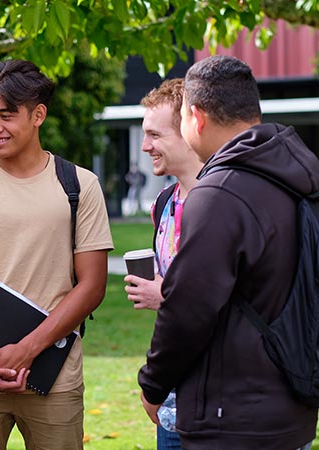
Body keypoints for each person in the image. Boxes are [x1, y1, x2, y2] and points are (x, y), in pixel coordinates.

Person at [137, 55, 319, 450]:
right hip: (293, 408)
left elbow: (189, 309)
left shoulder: (219, 193)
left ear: (196, 119)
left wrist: (152, 385)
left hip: (233, 417)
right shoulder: (295, 180)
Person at [0, 59, 113, 449]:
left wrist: (26, 350)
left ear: (38, 115)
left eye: (6, 116)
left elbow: (93, 285)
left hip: (54, 377)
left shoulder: (79, 185)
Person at [124, 78, 202, 450]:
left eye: (155, 135)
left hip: (220, 400)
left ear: (189, 130)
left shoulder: (226, 201)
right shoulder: (163, 204)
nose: (145, 146)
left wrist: (164, 294)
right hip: (171, 397)